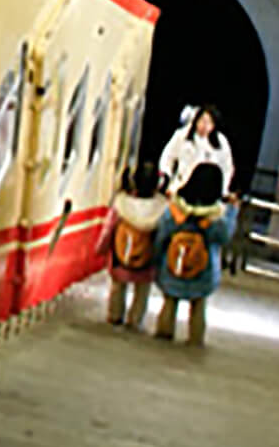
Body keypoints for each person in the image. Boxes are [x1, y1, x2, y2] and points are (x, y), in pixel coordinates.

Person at [154, 163, 238, 345]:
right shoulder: (216, 215)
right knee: (198, 306)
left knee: (170, 301)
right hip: (203, 269)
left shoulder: (176, 208)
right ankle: (195, 339)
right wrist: (233, 211)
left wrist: (157, 257)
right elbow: (224, 236)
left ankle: (164, 332)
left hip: (173, 264)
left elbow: (163, 232)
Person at [95, 161, 168, 330]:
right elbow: (163, 234)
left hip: (121, 255)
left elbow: (109, 229)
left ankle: (115, 315)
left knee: (118, 286)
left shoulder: (121, 203)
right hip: (147, 258)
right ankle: (135, 320)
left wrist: (101, 248)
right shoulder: (161, 207)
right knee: (142, 290)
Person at [159, 105, 235, 196]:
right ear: (196, 120)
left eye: (209, 122)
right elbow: (167, 156)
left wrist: (224, 190)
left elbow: (227, 168)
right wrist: (166, 175)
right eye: (203, 121)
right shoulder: (182, 135)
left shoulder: (221, 141)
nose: (205, 126)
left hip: (209, 190)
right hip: (181, 185)